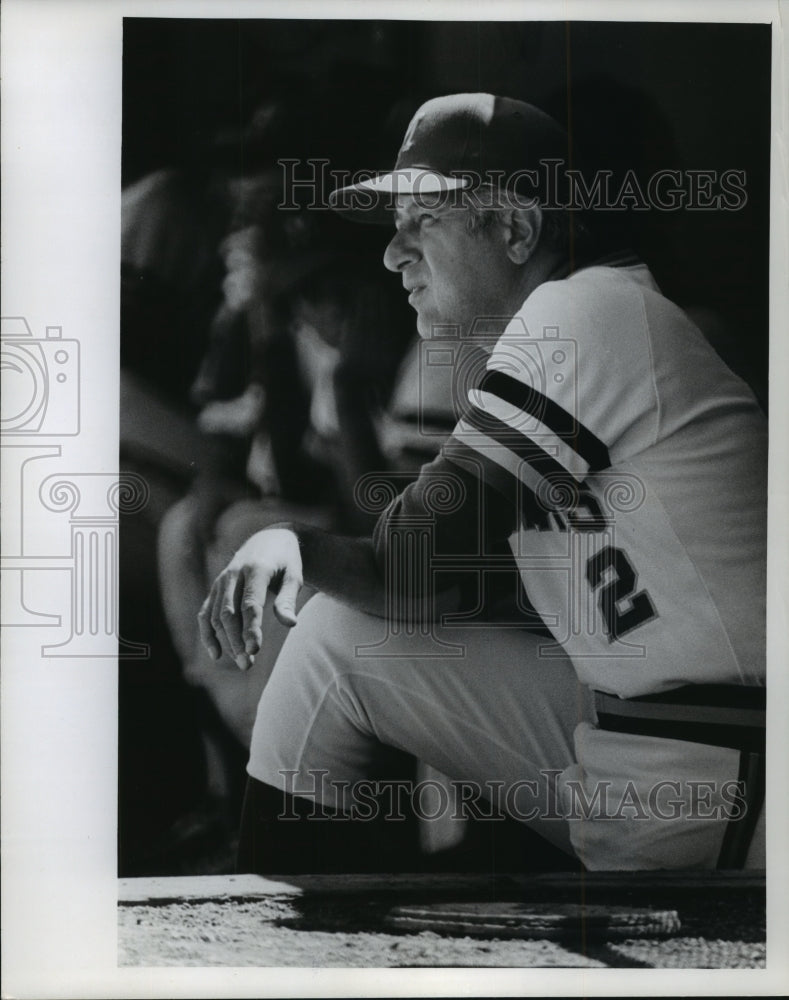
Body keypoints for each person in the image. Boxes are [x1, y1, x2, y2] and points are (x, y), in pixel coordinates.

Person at [198, 94, 767, 874]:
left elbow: (411, 565)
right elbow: (440, 589)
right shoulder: (574, 322)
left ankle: (288, 925)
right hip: (653, 739)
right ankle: (290, 918)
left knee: (336, 635)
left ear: (515, 229)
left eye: (423, 221)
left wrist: (291, 543)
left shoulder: (584, 311)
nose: (392, 254)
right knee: (339, 638)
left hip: (728, 763)